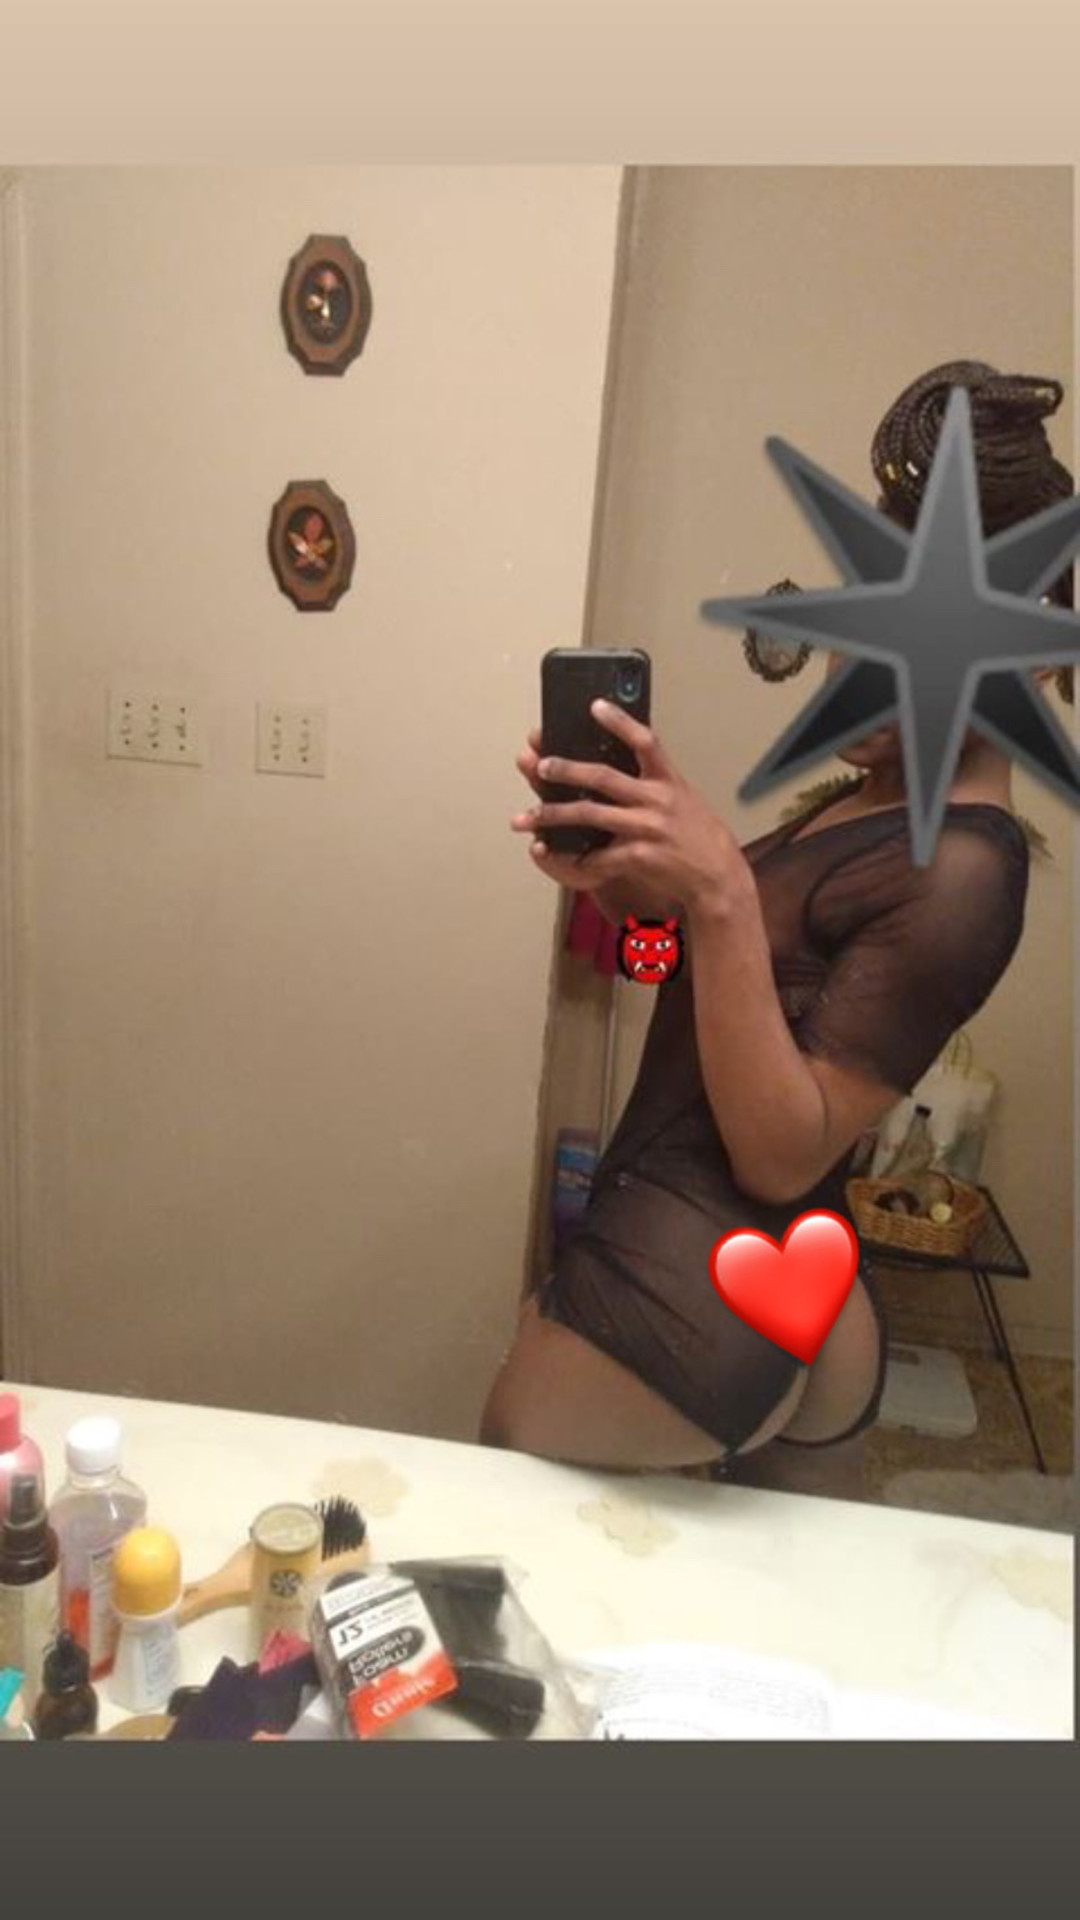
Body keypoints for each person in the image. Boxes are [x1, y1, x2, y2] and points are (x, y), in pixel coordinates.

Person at [480, 359, 1074, 1474]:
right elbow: (710, 978)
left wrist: (714, 888)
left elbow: (780, 1148)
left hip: (700, 1289)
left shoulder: (966, 866)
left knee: (501, 1520)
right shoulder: (877, 796)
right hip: (733, 1263)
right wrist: (630, 885)